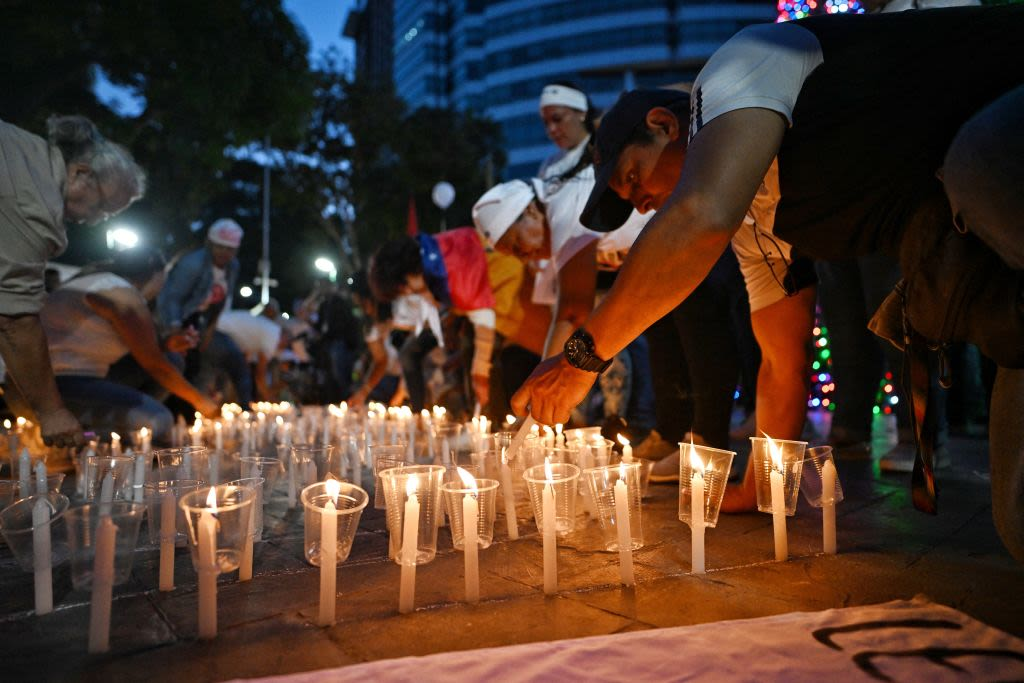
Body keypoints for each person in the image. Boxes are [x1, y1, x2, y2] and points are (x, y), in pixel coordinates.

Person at [512, 6, 1024, 559]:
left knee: (980, 159)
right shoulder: (758, 221)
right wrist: (761, 482)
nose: (645, 202)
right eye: (635, 202)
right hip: (987, 240)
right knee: (1017, 518)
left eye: (635, 177)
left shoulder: (740, 63)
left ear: (664, 125)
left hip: (1004, 117)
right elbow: (782, 357)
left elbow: (697, 217)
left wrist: (579, 361)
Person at [0, 115, 145, 446]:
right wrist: (52, 413)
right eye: (103, 207)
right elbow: (12, 319)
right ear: (80, 173)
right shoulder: (33, 201)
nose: (95, 221)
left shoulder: (24, 150)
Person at [19, 248, 218, 442]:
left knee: (172, 359)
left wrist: (167, 344)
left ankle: (119, 423)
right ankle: (80, 437)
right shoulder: (119, 292)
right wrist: (201, 401)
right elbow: (155, 366)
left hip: (79, 381)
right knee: (158, 421)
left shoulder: (99, 283)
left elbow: (146, 351)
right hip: (53, 391)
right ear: (157, 275)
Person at [370, 228, 496, 412]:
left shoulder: (453, 272)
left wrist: (480, 371)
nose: (407, 293)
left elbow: (484, 318)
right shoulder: (429, 252)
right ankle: (419, 413)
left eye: (403, 289)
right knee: (410, 352)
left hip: (500, 300)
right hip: (468, 311)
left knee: (472, 352)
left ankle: (485, 419)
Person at [157, 218, 252, 405]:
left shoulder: (233, 267)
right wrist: (175, 330)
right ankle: (169, 412)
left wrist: (209, 331)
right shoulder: (193, 264)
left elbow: (220, 301)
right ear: (210, 243)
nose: (225, 253)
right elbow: (171, 298)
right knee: (176, 363)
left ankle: (187, 412)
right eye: (220, 246)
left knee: (195, 364)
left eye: (230, 248)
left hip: (199, 319)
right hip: (176, 318)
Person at [347, 271, 405, 406]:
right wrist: (362, 392)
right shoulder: (371, 327)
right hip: (392, 380)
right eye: (360, 305)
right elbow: (381, 360)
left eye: (365, 302)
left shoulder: (401, 314)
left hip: (423, 378)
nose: (365, 309)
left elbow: (414, 355)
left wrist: (402, 391)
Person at [216, 309, 289, 402]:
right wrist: (267, 396)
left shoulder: (264, 331)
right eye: (285, 345)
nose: (281, 349)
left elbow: (247, 359)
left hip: (218, 327)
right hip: (220, 331)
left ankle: (225, 402)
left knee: (238, 372)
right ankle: (245, 408)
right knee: (242, 375)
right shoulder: (274, 334)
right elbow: (260, 372)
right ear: (284, 338)